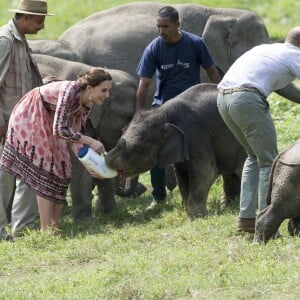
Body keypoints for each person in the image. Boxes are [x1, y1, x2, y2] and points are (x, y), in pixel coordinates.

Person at [0, 67, 113, 234]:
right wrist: (90, 140)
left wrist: (89, 164)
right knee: (46, 168)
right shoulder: (70, 91)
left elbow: (74, 136)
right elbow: (60, 129)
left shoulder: (87, 104)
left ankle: (54, 228)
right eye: (103, 90)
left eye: (108, 91)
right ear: (89, 88)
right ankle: (46, 231)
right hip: (31, 115)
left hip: (51, 121)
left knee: (65, 169)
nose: (107, 95)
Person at [135, 6, 221, 208]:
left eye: (165, 26)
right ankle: (158, 196)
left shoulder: (195, 43)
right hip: (163, 107)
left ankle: (196, 191)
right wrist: (139, 114)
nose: (161, 31)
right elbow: (143, 84)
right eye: (158, 26)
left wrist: (221, 96)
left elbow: (212, 71)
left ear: (177, 25)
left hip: (192, 107)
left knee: (195, 149)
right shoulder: (154, 48)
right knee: (156, 150)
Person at [217, 26, 300, 233]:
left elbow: (279, 83)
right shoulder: (295, 55)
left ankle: (246, 219)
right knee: (268, 162)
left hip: (223, 99)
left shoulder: (268, 50)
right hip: (247, 98)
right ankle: (267, 222)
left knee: (253, 157)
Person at [0, 0, 54, 241]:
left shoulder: (21, 42)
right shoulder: (5, 42)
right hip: (5, 123)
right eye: (39, 20)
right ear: (24, 18)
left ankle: (22, 229)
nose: (42, 26)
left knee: (27, 175)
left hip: (22, 124)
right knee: (3, 179)